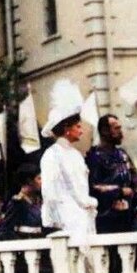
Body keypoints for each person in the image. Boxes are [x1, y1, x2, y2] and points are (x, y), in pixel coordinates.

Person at [39, 80, 97, 239]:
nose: (81, 130)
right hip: (66, 221)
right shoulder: (52, 155)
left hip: (83, 218)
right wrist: (57, 222)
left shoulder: (76, 154)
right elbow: (49, 192)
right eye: (78, 126)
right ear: (66, 128)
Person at [85, 115, 137, 234]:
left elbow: (135, 180)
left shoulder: (123, 155)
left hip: (128, 215)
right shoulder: (94, 157)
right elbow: (92, 187)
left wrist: (135, 194)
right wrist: (119, 191)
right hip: (106, 218)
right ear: (104, 131)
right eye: (116, 128)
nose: (120, 132)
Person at [1, 164, 45, 239]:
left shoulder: (38, 200)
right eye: (39, 178)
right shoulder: (18, 202)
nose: (42, 182)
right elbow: (5, 230)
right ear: (29, 181)